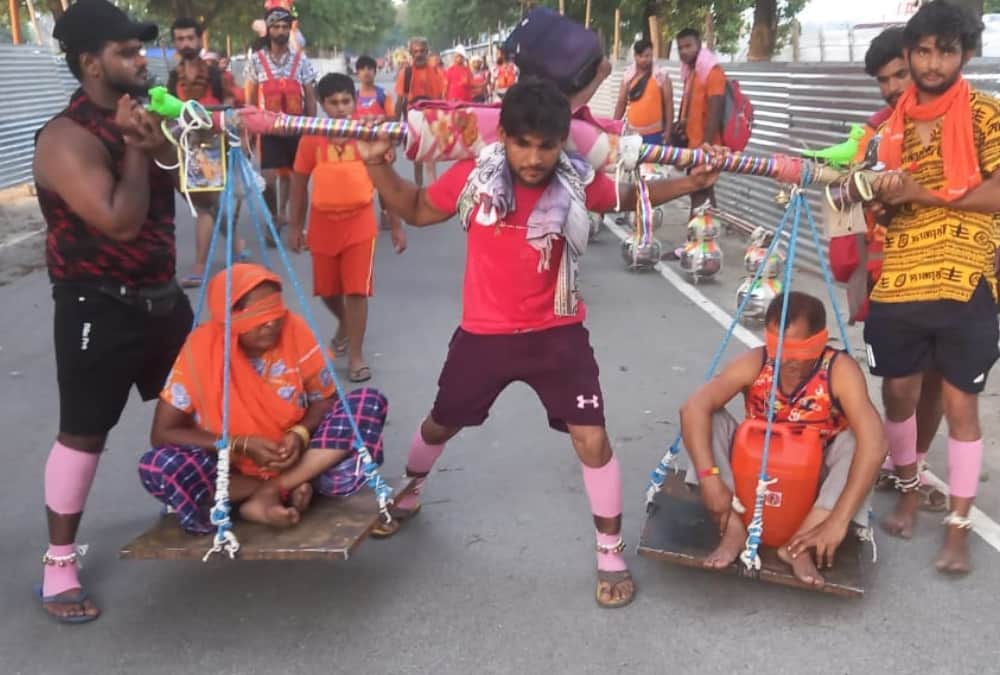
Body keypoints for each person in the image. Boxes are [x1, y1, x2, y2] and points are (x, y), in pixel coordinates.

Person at [356, 79, 721, 608]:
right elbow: (413, 206)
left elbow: (623, 197)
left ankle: (610, 551)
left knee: (592, 439)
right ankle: (410, 489)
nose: (532, 158)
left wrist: (692, 182)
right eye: (522, 143)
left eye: (545, 145)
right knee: (441, 422)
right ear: (502, 136)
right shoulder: (475, 177)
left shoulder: (574, 182)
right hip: (485, 336)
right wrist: (374, 164)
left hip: (558, 334)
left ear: (560, 144)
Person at [33, 0, 194, 623]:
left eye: (140, 50)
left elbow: (181, 192)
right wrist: (135, 148)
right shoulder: (64, 138)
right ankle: (59, 562)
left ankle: (194, 498)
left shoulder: (142, 120)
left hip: (162, 298)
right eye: (127, 53)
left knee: (193, 405)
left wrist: (164, 145)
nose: (141, 61)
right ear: (90, 64)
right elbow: (121, 223)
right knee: (84, 432)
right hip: (96, 305)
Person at [867, 1, 1000, 574]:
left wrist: (926, 196)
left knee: (958, 401)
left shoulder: (986, 115)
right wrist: (872, 197)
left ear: (965, 54)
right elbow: (878, 204)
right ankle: (909, 485)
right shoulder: (889, 128)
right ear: (910, 53)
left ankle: (958, 527)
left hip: (966, 271)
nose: (934, 62)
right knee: (897, 392)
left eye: (947, 51)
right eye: (924, 50)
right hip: (900, 275)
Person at [140, 264, 389, 530]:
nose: (272, 323)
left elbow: (324, 401)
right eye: (260, 316)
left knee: (366, 403)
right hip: (229, 470)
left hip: (299, 458)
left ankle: (275, 489)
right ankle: (271, 492)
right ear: (229, 319)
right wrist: (238, 445)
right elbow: (163, 433)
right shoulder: (202, 349)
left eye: (276, 312)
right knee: (158, 466)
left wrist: (299, 434)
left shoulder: (294, 331)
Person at [680, 292, 885, 588]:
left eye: (796, 348)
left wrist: (839, 521)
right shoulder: (756, 361)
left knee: (858, 438)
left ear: (818, 341)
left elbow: (876, 443)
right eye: (778, 346)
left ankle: (799, 544)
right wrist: (709, 479)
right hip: (756, 471)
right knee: (708, 419)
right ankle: (735, 530)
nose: (785, 358)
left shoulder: (839, 370)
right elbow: (692, 408)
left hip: (814, 479)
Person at [837, 28, 946, 511]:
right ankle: (901, 469)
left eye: (900, 74)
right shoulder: (872, 135)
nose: (892, 87)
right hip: (891, 276)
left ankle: (911, 464)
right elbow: (840, 198)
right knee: (901, 382)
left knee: (939, 379)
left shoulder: (965, 124)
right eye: (883, 80)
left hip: (954, 275)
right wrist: (850, 269)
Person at [288, 74, 406, 383]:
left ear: (354, 102)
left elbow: (387, 185)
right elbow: (299, 184)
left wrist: (396, 226)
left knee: (356, 289)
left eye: (345, 101)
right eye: (333, 102)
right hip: (322, 223)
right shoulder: (312, 136)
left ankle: (356, 355)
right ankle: (343, 323)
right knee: (326, 290)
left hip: (360, 223)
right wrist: (294, 226)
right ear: (324, 106)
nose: (340, 108)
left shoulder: (366, 135)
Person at [167, 17, 244, 288]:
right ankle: (224, 252)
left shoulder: (214, 74)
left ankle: (208, 260)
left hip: (217, 145)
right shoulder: (173, 76)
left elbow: (233, 101)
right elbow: (168, 110)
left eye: (190, 38)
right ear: (175, 42)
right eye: (180, 39)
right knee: (207, 204)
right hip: (189, 148)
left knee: (214, 203)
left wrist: (215, 117)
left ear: (200, 40)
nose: (186, 43)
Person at [244, 6, 318, 239]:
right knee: (268, 178)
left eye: (285, 27)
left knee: (295, 178)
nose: (281, 31)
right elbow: (249, 100)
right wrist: (249, 133)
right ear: (268, 29)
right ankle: (273, 218)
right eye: (276, 26)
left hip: (296, 130)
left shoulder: (301, 61)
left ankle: (291, 219)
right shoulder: (256, 61)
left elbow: (310, 98)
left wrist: (312, 129)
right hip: (269, 130)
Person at [674, 27, 727, 214]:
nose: (684, 51)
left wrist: (705, 145)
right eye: (680, 48)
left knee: (699, 193)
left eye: (688, 46)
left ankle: (698, 239)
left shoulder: (713, 72)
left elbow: (716, 110)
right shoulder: (692, 72)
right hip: (694, 146)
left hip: (707, 147)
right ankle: (704, 238)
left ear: (699, 45)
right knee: (701, 193)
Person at [355, 54, 404, 233]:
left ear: (375, 72)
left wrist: (390, 146)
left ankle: (386, 213)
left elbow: (391, 119)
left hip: (381, 145)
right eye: (363, 69)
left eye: (370, 69)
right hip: (360, 147)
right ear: (357, 73)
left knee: (384, 182)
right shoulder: (353, 96)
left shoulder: (383, 95)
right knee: (360, 182)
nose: (366, 72)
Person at [396, 37, 445, 187]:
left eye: (422, 51)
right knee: (417, 161)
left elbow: (439, 99)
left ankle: (432, 195)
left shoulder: (436, 72)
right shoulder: (406, 73)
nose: (419, 54)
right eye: (415, 51)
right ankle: (419, 191)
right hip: (413, 121)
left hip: (431, 120)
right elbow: (400, 101)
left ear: (427, 52)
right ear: (410, 53)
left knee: (430, 161)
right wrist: (394, 126)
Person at [614, 39, 673, 146]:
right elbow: (621, 103)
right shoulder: (628, 77)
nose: (644, 59)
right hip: (632, 134)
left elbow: (669, 104)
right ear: (635, 56)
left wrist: (668, 131)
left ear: (652, 54)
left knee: (652, 163)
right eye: (641, 56)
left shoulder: (661, 75)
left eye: (648, 55)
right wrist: (613, 127)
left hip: (655, 135)